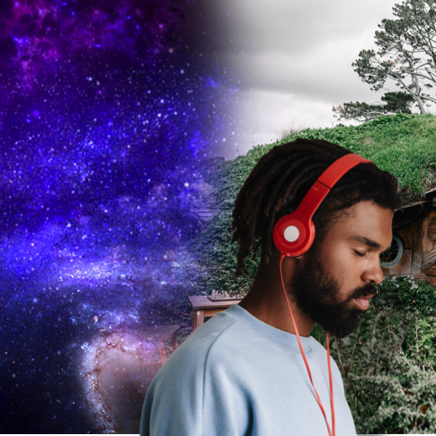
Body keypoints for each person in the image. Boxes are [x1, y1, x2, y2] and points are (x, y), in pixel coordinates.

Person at [140, 139, 401, 436]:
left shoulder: (322, 364)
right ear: (295, 237)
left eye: (381, 255)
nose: (377, 274)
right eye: (360, 251)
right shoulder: (209, 370)